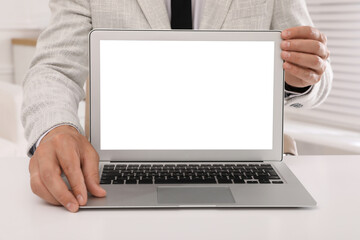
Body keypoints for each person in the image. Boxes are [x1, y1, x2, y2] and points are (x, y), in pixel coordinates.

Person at [22, 0, 333, 212]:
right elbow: (55, 69)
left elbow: (316, 67)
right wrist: (56, 128)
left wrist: (300, 78)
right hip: (123, 165)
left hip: (247, 162)